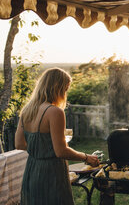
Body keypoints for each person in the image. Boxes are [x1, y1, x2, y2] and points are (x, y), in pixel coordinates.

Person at [15, 67, 99, 205]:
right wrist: (86, 157)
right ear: (57, 88)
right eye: (65, 89)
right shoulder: (54, 112)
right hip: (51, 172)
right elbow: (61, 151)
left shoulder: (27, 110)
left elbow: (19, 144)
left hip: (32, 169)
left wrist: (41, 147)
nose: (65, 93)